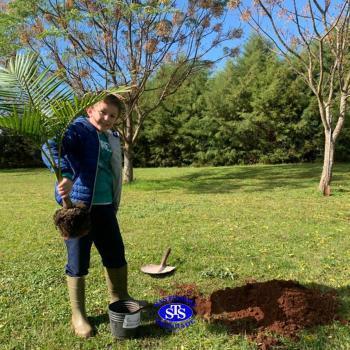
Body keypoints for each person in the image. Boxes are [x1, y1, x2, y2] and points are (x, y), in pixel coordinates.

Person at [41, 94, 145, 338]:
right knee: (78, 261)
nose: (107, 119)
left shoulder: (111, 136)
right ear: (89, 110)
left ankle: (120, 297)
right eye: (103, 112)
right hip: (79, 209)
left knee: (115, 253)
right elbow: (49, 147)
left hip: (105, 206)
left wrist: (114, 200)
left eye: (113, 116)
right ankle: (78, 314)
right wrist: (65, 174)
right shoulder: (78, 128)